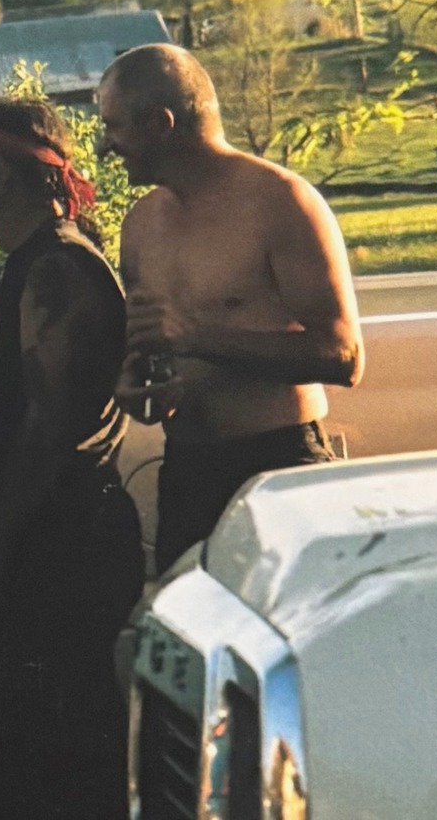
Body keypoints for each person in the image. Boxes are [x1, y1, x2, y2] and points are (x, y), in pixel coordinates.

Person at [0, 100, 143, 820]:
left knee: (67, 761)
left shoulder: (57, 268)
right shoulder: (36, 264)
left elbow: (49, 429)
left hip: (67, 546)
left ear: (3, 173)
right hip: (54, 541)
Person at [97, 43, 364, 570]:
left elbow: (344, 357)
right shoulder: (141, 225)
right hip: (188, 472)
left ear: (160, 124)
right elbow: (154, 352)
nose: (106, 145)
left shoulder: (281, 201)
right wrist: (135, 389)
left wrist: (196, 338)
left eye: (114, 126)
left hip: (277, 467)